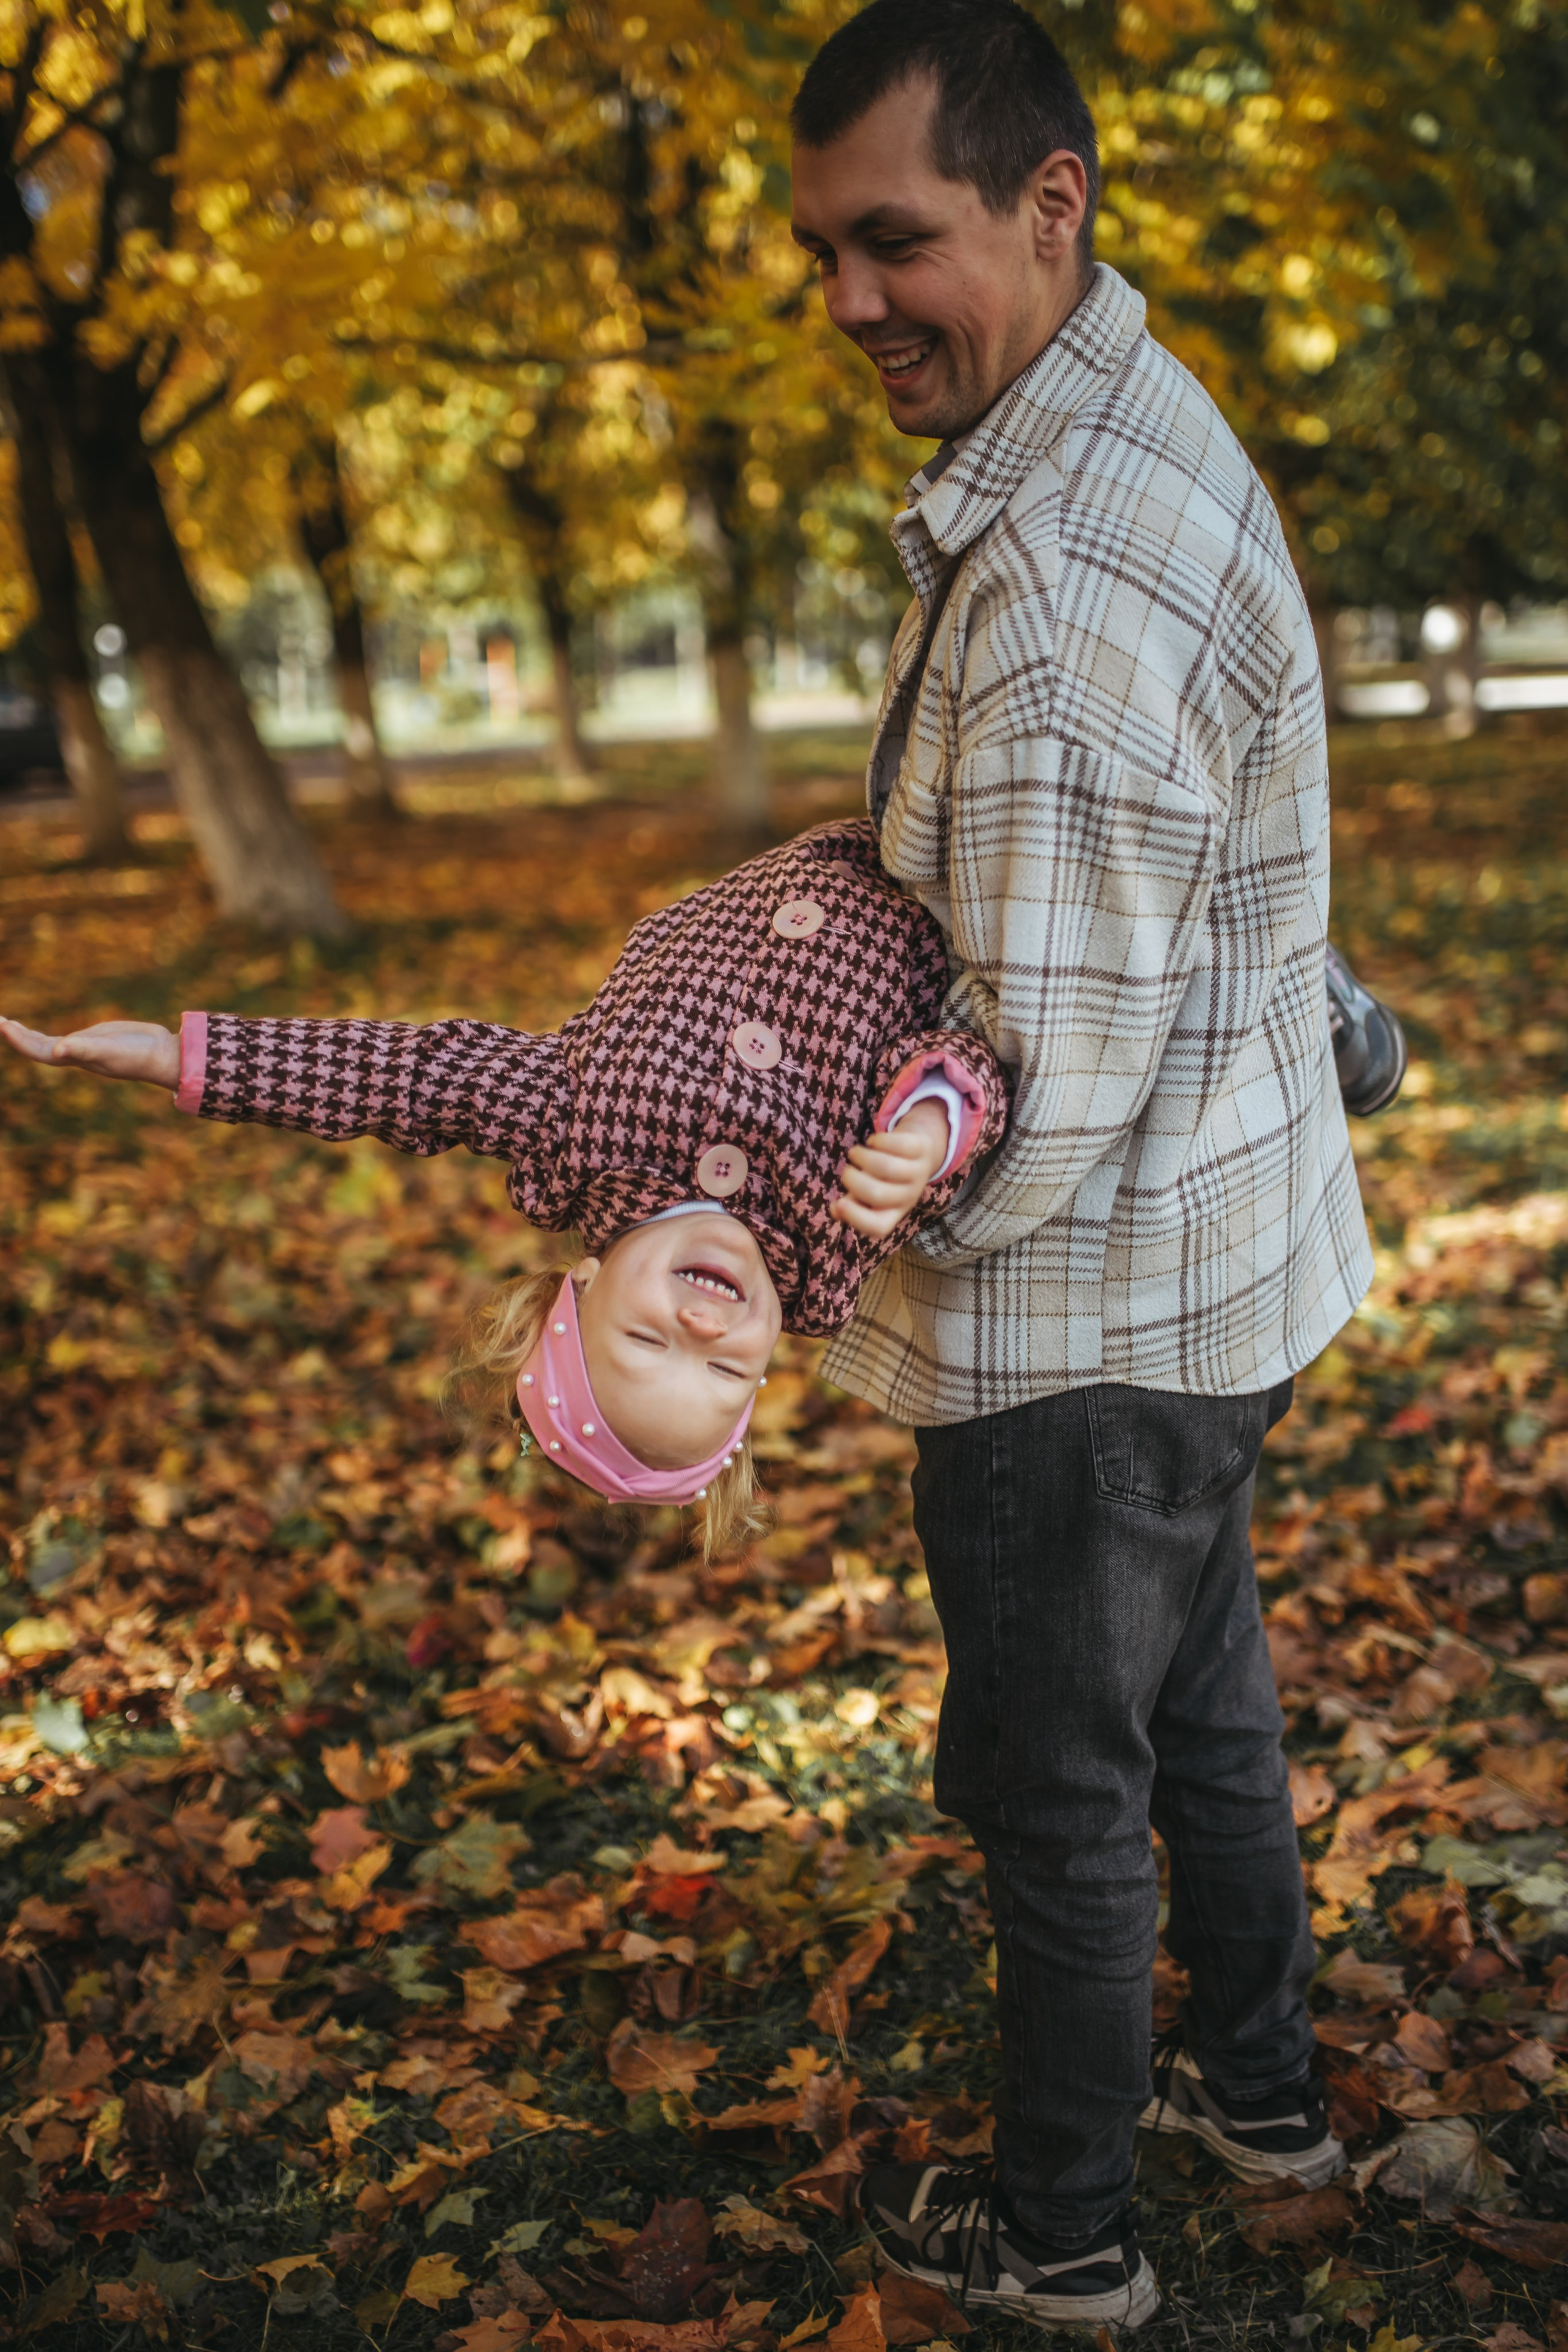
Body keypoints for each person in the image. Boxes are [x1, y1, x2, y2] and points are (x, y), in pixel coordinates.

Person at [788, 0, 1375, 2329]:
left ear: (1053, 205)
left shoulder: (1063, 612)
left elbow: (1030, 1100)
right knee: (1204, 1704)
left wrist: (789, 1206)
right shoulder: (1105, 413)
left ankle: (1068, 2251)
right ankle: (1270, 2107)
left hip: (1089, 1332)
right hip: (1224, 1277)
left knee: (1057, 1791)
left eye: (894, 242)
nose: (848, 304)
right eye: (823, 250)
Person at [1, 818, 1006, 1549]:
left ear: (579, 1290)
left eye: (646, 1341)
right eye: (725, 1373)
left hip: (849, 832)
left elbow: (399, 1079)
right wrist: (931, 1129)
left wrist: (180, 1055)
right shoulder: (833, 1248)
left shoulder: (573, 1136)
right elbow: (975, 1060)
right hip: (959, 889)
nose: (701, 1337)